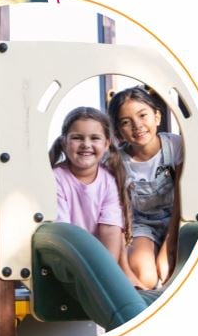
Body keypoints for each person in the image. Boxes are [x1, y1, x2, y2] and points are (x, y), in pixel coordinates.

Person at [49, 106, 139, 285]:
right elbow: (64, 231)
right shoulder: (56, 177)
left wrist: (107, 272)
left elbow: (110, 230)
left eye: (95, 138)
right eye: (77, 138)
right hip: (65, 257)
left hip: (99, 260)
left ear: (106, 144)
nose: (86, 144)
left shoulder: (108, 180)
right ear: (64, 142)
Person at [108, 86, 183, 289]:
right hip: (141, 226)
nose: (137, 126)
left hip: (177, 219)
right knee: (145, 276)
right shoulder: (116, 161)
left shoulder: (174, 146)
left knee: (171, 271)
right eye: (126, 122)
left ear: (157, 116)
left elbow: (182, 198)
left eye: (143, 115)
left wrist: (170, 244)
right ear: (118, 132)